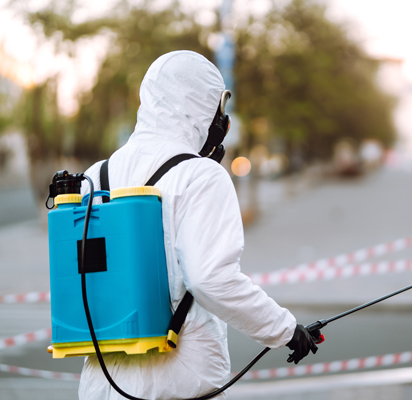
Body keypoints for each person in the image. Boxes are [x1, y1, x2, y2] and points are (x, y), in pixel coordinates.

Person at [78, 50, 320, 399]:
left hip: (101, 386)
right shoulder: (200, 176)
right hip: (177, 384)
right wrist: (284, 329)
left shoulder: (94, 176)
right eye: (219, 110)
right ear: (201, 108)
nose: (222, 122)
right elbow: (211, 279)